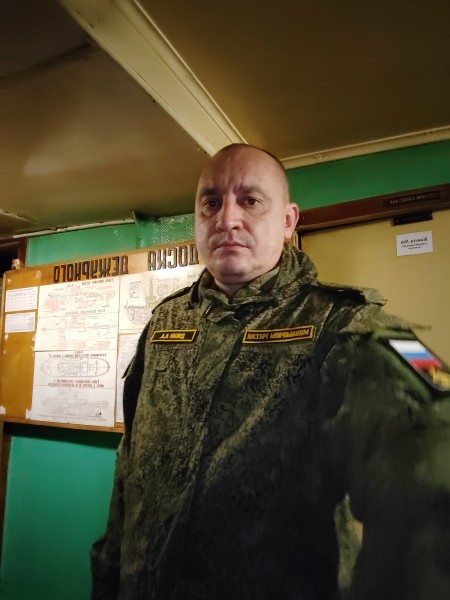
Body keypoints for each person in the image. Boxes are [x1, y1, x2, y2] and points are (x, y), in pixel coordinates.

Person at [92, 144, 450, 599]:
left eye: (250, 200)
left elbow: (434, 488)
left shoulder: (346, 327)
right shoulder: (165, 323)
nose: (227, 219)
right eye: (211, 202)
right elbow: (129, 473)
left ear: (288, 221)